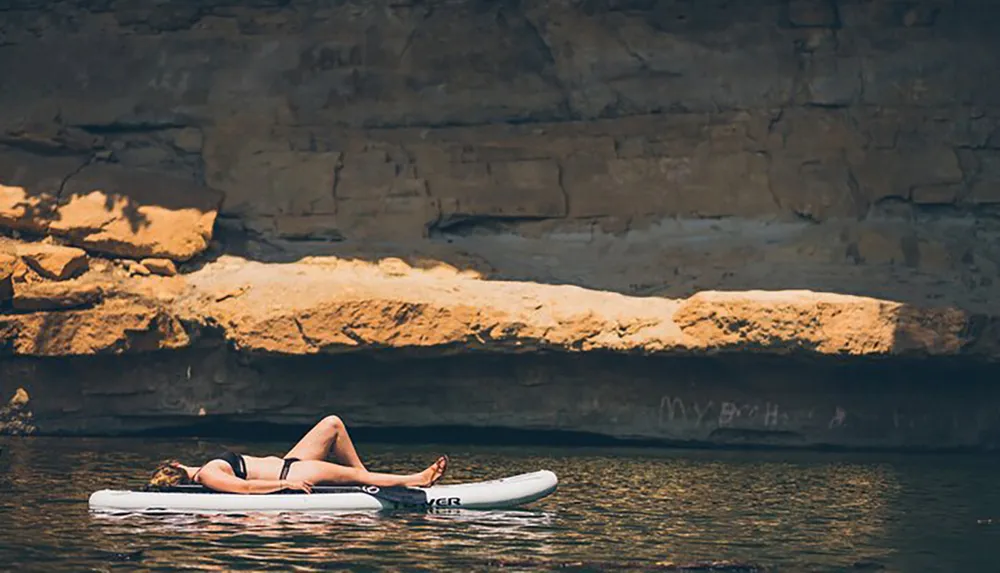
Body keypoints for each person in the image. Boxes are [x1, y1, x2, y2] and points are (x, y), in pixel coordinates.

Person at [147, 415, 448, 494]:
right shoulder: (208, 475)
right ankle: (417, 480)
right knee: (357, 475)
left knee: (332, 424)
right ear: (174, 466)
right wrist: (284, 486)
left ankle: (367, 483)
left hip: (290, 462)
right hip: (291, 475)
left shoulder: (205, 468)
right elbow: (246, 488)